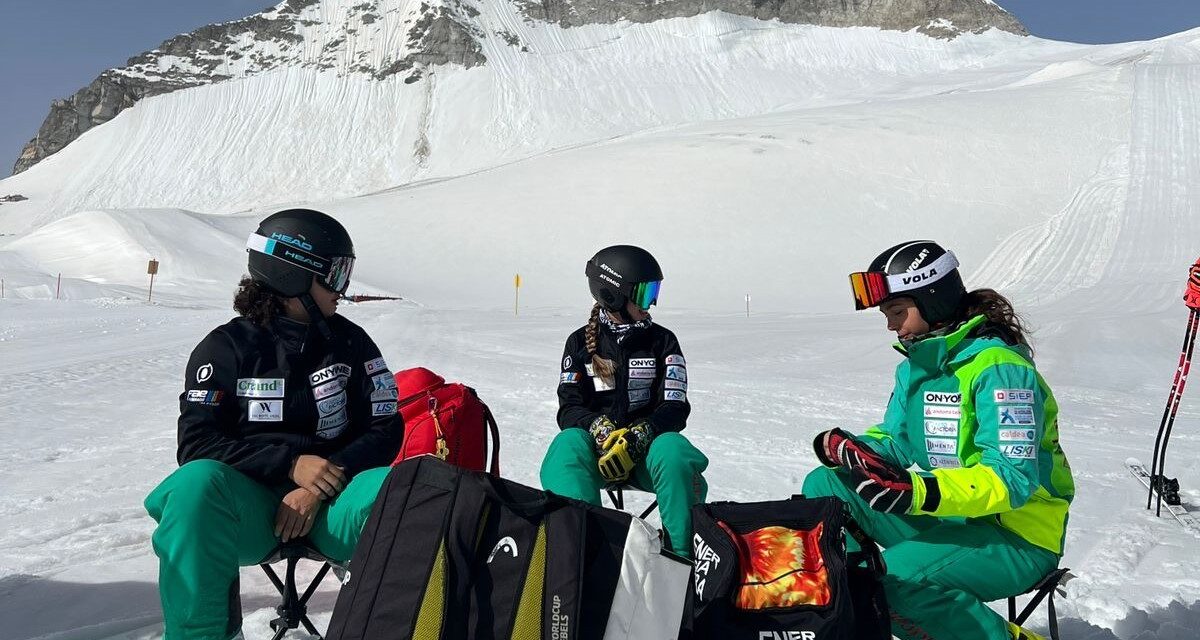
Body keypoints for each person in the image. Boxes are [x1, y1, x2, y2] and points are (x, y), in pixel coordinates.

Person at [144, 209, 403, 639]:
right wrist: (290, 464)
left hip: (332, 505)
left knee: (407, 489)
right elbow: (197, 444)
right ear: (293, 276)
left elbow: (385, 427)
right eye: (334, 276)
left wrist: (320, 483)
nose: (342, 290)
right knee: (193, 487)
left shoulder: (352, 343)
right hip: (254, 510)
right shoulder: (225, 348)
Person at [803, 240, 1074, 640]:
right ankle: (860, 609)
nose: (891, 326)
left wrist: (917, 491)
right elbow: (897, 442)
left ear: (933, 300)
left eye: (897, 312)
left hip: (1016, 537)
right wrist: (854, 452)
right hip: (951, 520)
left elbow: (1013, 480)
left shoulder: (1000, 369)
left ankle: (890, 599)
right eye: (886, 314)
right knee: (825, 485)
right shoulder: (918, 367)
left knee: (891, 584)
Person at [539, 245, 708, 557]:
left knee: (673, 449)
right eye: (645, 294)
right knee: (566, 445)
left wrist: (642, 434)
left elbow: (674, 405)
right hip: (598, 456)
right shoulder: (579, 342)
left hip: (647, 458)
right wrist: (598, 428)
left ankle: (684, 557)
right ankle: (580, 555)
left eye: (654, 292)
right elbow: (569, 407)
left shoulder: (663, 341)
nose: (652, 303)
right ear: (613, 295)